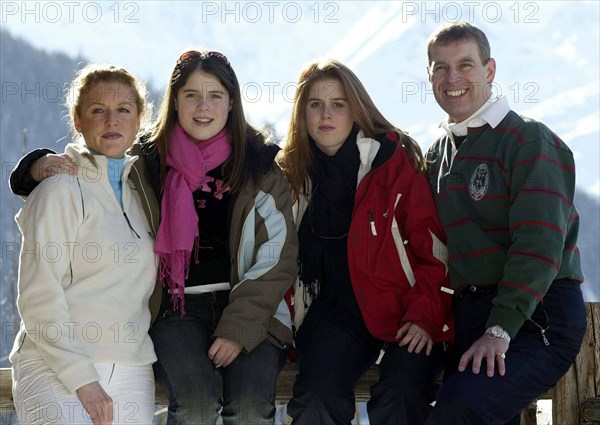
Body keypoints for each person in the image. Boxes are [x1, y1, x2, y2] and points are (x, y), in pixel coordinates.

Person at [10, 49, 298, 425]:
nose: (203, 106)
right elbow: (97, 154)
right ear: (174, 102)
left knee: (248, 408)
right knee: (194, 405)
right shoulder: (149, 162)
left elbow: (278, 257)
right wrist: (34, 167)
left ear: (232, 102)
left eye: (215, 95)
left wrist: (239, 327)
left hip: (237, 312)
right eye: (191, 95)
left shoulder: (258, 166)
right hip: (173, 310)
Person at [423, 22, 586, 425]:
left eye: (465, 65)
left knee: (461, 406)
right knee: (406, 392)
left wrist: (500, 329)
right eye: (440, 68)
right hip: (470, 311)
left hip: (536, 315)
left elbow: (538, 244)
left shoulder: (529, 139)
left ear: (490, 71)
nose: (452, 78)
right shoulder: (436, 154)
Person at [277, 59, 453, 425]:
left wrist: (423, 317)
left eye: (338, 104)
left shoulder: (393, 164)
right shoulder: (290, 176)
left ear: (356, 110)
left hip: (405, 312)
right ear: (302, 114)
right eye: (315, 104)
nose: (326, 114)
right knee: (315, 400)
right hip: (335, 316)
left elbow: (434, 252)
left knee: (400, 396)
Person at [9, 64, 158, 425]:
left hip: (133, 365)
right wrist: (83, 379)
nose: (111, 120)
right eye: (97, 110)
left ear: (139, 120)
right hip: (56, 364)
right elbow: (38, 295)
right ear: (77, 121)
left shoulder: (146, 193)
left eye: (123, 110)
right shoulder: (58, 186)